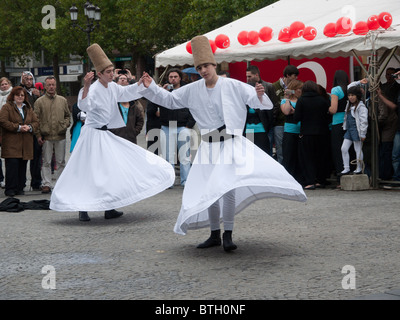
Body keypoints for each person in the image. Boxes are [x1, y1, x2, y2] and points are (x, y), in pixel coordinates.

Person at [139, 35, 306, 252]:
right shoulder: (192, 89)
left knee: (227, 188)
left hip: (229, 142)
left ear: (214, 65)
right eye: (199, 67)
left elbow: (259, 103)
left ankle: (228, 233)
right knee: (211, 189)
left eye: (206, 66)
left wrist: (259, 95)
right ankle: (214, 234)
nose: (203, 70)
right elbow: (170, 100)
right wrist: (152, 87)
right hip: (208, 145)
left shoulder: (233, 85)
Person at [49, 43, 175, 222]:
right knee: (88, 171)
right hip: (92, 135)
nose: (112, 74)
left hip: (105, 134)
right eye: (108, 72)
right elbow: (83, 106)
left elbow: (126, 93)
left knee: (109, 169)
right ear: (99, 74)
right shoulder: (93, 89)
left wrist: (140, 84)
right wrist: (85, 85)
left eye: (112, 71)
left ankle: (108, 206)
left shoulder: (113, 87)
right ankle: (83, 208)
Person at [33, 76, 71, 194]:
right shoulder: (39, 102)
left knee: (61, 161)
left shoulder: (62, 100)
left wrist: (64, 126)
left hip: (60, 135)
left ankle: (60, 183)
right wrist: (38, 135)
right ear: (45, 86)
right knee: (46, 162)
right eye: (48, 85)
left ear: (56, 86)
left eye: (53, 84)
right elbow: (35, 119)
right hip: (46, 137)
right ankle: (46, 184)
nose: (51, 87)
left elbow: (67, 116)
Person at [159, 68, 196, 187]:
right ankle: (169, 182)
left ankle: (186, 181)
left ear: (180, 78)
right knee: (168, 156)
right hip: (167, 126)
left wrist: (189, 125)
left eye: (175, 76)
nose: (173, 79)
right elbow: (155, 106)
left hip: (182, 126)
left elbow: (193, 107)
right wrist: (162, 93)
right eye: (171, 77)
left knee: (185, 156)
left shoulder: (186, 91)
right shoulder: (164, 92)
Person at [0, 86, 39, 196]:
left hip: (25, 144)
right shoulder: (7, 107)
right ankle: (10, 189)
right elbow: (3, 121)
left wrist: (30, 127)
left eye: (22, 95)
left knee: (22, 166)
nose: (20, 97)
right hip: (12, 143)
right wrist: (18, 127)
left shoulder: (28, 108)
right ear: (13, 96)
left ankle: (20, 187)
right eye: (18, 95)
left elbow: (36, 122)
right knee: (12, 166)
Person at [293, 81, 331, 190]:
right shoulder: (323, 100)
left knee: (307, 158)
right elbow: (328, 116)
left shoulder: (302, 100)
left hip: (307, 133)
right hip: (323, 133)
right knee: (321, 157)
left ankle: (310, 182)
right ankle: (321, 180)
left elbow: (297, 118)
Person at [246, 65, 278, 156]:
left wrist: (270, 122)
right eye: (247, 76)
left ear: (256, 75)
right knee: (250, 155)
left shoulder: (268, 86)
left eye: (250, 76)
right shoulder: (246, 88)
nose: (247, 79)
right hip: (249, 127)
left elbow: (275, 106)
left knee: (265, 154)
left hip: (265, 127)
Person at [20, 71, 42, 191]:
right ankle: (21, 182)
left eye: (30, 79)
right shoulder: (19, 91)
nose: (28, 81)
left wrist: (39, 96)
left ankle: (36, 182)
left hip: (34, 129)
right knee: (23, 157)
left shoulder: (36, 92)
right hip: (23, 128)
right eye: (26, 79)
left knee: (36, 158)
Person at [272, 65, 299, 163]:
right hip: (279, 122)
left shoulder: (296, 87)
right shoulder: (274, 86)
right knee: (280, 149)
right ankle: (282, 170)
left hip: (292, 123)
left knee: (292, 149)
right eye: (294, 76)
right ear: (287, 75)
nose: (296, 78)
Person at [378, 68, 400, 187]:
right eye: (387, 74)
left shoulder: (396, 88)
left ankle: (393, 177)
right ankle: (393, 177)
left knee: (392, 152)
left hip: (392, 123)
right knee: (393, 154)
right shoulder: (385, 86)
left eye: (392, 75)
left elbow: (392, 106)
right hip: (392, 125)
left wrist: (381, 95)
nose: (389, 76)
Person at [340, 86, 368, 175]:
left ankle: (359, 168)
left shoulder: (361, 107)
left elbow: (364, 121)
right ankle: (346, 168)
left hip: (357, 130)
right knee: (343, 148)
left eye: (353, 95)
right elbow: (350, 86)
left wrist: (363, 134)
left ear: (357, 96)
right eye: (349, 95)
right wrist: (360, 82)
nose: (351, 97)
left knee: (358, 149)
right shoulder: (349, 104)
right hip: (349, 130)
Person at [109, 74, 145, 144]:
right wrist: (113, 132)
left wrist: (134, 132)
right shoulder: (114, 105)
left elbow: (140, 120)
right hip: (116, 139)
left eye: (124, 78)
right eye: (120, 78)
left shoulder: (134, 106)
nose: (122, 80)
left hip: (131, 139)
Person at [280, 79, 304, 184]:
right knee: (289, 155)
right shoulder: (285, 100)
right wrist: (288, 98)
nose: (301, 91)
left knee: (299, 156)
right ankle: (288, 179)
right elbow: (286, 111)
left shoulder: (301, 100)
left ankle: (299, 178)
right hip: (290, 131)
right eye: (299, 89)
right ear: (294, 89)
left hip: (300, 130)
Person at [0, 77, 13, 188]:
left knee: (9, 156)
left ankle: (10, 181)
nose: (4, 86)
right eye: (2, 84)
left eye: (5, 84)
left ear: (9, 84)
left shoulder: (13, 95)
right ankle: (0, 178)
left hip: (8, 129)